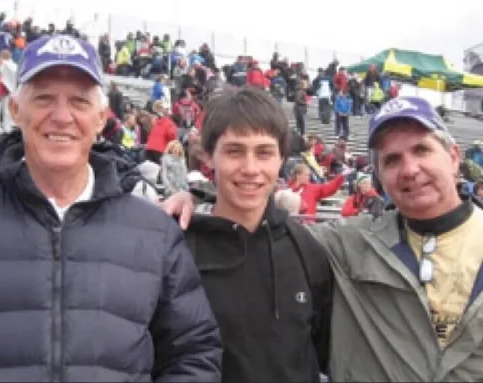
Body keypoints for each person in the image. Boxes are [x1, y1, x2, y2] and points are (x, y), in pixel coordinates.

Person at [0, 34, 221, 382]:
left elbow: (193, 352)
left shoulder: (153, 233)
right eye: (44, 98)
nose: (61, 116)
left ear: (100, 118)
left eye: (79, 102)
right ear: (16, 110)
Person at [162, 87, 333, 383]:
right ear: (208, 157)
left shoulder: (307, 251)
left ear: (281, 160)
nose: (250, 168)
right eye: (234, 151)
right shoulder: (176, 248)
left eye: (264, 152)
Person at [308, 96, 483, 381]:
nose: (410, 170)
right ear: (380, 177)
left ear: (453, 158)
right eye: (392, 160)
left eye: (421, 150)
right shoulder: (348, 245)